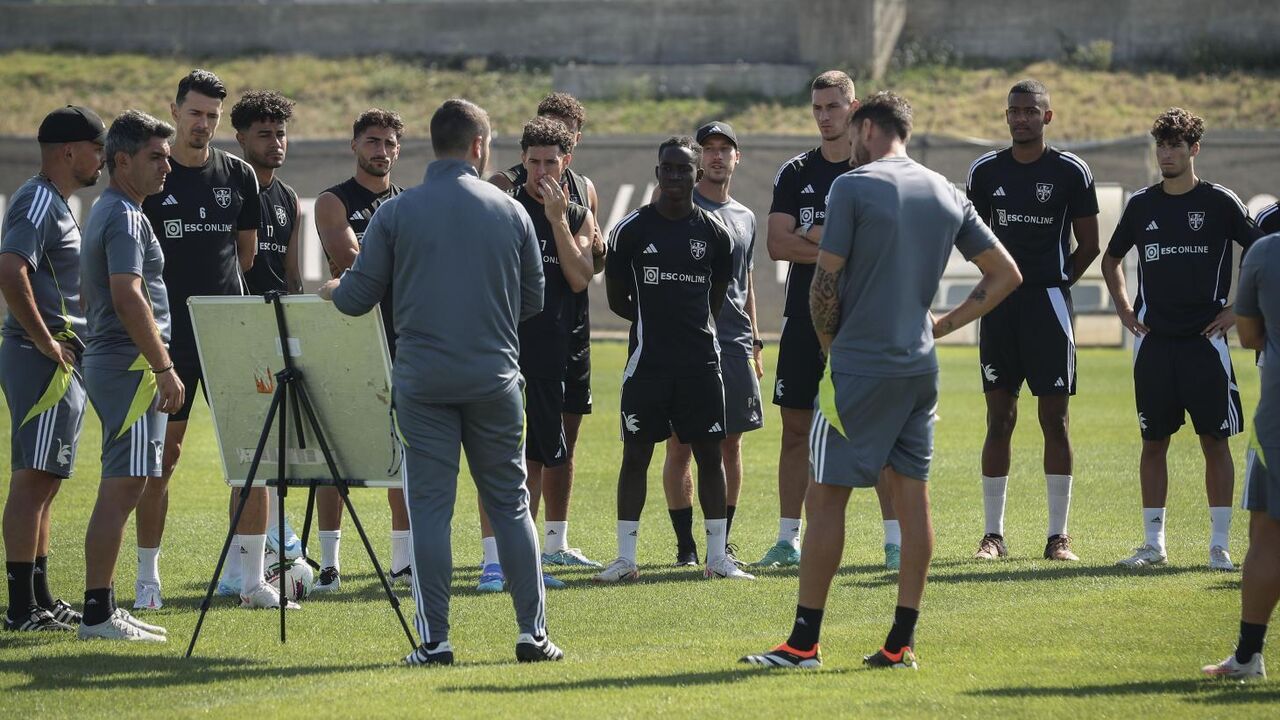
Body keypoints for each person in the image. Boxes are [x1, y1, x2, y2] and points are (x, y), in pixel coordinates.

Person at [741, 92, 1021, 670]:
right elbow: (1006, 273)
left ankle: (803, 643)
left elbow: (825, 283)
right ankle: (900, 643)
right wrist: (941, 326)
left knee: (825, 498)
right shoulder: (947, 191)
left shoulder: (853, 186)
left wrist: (828, 349)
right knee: (912, 499)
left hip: (858, 367)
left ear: (867, 128)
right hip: (919, 368)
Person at [320, 98, 563, 665]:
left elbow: (356, 298)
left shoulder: (398, 212)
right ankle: (532, 635)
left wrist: (333, 290)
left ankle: (435, 641)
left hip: (423, 381)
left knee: (430, 509)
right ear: (479, 146)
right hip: (495, 376)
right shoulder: (511, 211)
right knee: (510, 504)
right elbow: (534, 300)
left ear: (433, 144)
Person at [1102, 107, 1261, 570]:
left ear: (1194, 149)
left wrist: (1238, 309)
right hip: (1154, 344)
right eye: (1161, 144)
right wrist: (1124, 307)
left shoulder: (1221, 202)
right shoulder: (1142, 205)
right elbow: (1112, 260)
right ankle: (1154, 545)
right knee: (1153, 442)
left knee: (1215, 441)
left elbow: (1261, 250)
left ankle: (1219, 546)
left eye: (1175, 145)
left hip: (1205, 344)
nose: (1166, 153)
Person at [596, 136, 754, 583]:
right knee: (635, 457)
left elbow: (716, 300)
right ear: (657, 172)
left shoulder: (716, 235)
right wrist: (656, 323)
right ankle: (626, 559)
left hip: (701, 366)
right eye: (667, 168)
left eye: (684, 169)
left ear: (697, 174)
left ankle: (717, 557)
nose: (675, 176)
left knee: (710, 456)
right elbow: (618, 300)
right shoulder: (630, 230)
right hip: (647, 366)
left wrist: (686, 330)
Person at [759, 70, 899, 571]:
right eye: (817, 108)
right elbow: (777, 244)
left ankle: (894, 541)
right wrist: (834, 240)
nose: (824, 117)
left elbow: (879, 244)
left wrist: (820, 235)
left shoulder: (875, 170)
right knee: (795, 427)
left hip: (862, 318)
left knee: (878, 428)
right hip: (804, 315)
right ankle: (786, 538)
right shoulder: (795, 172)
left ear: (854, 107)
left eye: (833, 107)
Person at [137, 69, 261, 610]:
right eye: (195, 114)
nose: (204, 125)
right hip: (171, 343)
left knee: (251, 457)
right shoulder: (152, 180)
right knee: (163, 458)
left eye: (213, 117)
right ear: (175, 110)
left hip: (228, 336)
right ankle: (147, 580)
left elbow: (246, 255)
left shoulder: (239, 175)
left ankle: (250, 579)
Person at [965, 79, 1100, 561]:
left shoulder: (1071, 171)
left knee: (1055, 422)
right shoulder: (985, 171)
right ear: (1006, 117)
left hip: (1048, 306)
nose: (1021, 118)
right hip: (1000, 309)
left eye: (1030, 110)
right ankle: (993, 536)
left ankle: (1058, 536)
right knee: (998, 419)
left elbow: (1089, 243)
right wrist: (997, 281)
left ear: (1048, 116)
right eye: (1014, 111)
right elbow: (971, 237)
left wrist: (1058, 282)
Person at [474, 117, 599, 593]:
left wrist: (556, 221)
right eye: (533, 161)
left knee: (538, 460)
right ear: (521, 159)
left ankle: (522, 560)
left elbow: (579, 277)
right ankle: (492, 563)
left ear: (566, 162)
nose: (541, 171)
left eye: (551, 162)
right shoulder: (501, 207)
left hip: (551, 352)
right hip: (502, 348)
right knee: (497, 456)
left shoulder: (578, 212)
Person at [77, 109, 187, 641]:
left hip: (122, 362)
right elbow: (127, 293)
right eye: (155, 157)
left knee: (131, 482)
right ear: (122, 161)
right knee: (122, 487)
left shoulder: (117, 209)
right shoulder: (122, 215)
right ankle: (97, 613)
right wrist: (163, 365)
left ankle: (106, 606)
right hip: (129, 364)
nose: (167, 166)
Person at [1, 106, 104, 632]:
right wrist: (44, 340)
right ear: (70, 151)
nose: (102, 160)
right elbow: (8, 269)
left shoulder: (57, 202)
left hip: (59, 358)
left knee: (47, 478)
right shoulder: (38, 201)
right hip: (41, 356)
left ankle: (38, 596)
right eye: (97, 148)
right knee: (33, 478)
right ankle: (21, 609)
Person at [313, 108, 412, 592]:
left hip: (399, 340)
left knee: (403, 452)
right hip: (349, 340)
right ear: (354, 145)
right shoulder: (333, 201)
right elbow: (355, 264)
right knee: (337, 455)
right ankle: (330, 564)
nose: (382, 150)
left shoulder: (409, 203)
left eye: (391, 143)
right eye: (373, 141)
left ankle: (403, 561)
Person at [661, 121, 764, 566]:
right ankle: (686, 546)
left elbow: (747, 283)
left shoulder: (745, 217)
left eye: (726, 149)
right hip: (685, 343)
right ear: (698, 158)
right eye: (709, 149)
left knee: (731, 444)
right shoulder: (676, 208)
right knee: (680, 445)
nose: (717, 156)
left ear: (737, 157)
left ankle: (721, 544)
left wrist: (756, 342)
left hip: (736, 342)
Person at [220, 89, 305, 593]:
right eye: (264, 134)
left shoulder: (291, 198)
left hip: (278, 336)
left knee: (274, 454)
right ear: (241, 139)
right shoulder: (228, 185)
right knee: (247, 454)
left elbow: (292, 276)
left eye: (281, 133)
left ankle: (265, 550)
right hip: (239, 331)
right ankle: (242, 567)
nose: (275, 143)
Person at [1202, 226, 1280, 680]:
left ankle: (1249, 656)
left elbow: (1249, 336)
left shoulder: (1266, 251)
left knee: (1268, 536)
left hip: (1277, 419)